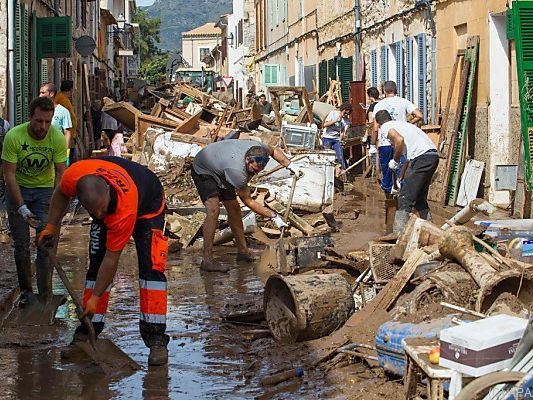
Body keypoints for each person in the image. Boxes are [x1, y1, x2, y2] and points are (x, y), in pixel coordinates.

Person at [36, 156, 170, 366]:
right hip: (120, 185)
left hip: (148, 205)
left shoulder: (123, 210)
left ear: (107, 191)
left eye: (101, 208)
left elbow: (112, 258)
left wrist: (96, 297)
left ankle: (156, 339)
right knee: (94, 266)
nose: (98, 214)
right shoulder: (74, 176)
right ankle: (88, 332)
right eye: (92, 211)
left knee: (151, 270)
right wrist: (51, 226)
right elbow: (61, 193)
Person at [192, 139, 300, 273]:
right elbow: (248, 201)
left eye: (258, 171)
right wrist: (274, 216)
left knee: (234, 208)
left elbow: (274, 151)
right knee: (213, 209)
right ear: (248, 159)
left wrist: (290, 165)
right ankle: (207, 260)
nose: (254, 174)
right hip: (204, 168)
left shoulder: (260, 149)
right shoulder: (236, 171)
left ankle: (243, 252)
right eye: (253, 170)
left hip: (221, 163)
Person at [2, 97, 67, 305]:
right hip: (18, 189)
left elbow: (60, 174)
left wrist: (56, 206)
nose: (43, 127)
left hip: (44, 191)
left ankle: (45, 293)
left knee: (45, 242)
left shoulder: (55, 138)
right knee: (21, 244)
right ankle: (26, 292)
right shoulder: (14, 136)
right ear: (30, 117)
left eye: (47, 122)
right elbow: (9, 175)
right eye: (39, 121)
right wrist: (21, 207)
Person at [374, 110, 439, 238]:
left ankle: (398, 237)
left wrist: (395, 160)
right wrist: (400, 177)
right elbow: (408, 158)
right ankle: (432, 233)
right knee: (419, 199)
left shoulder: (386, 127)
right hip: (432, 156)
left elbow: (399, 140)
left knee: (405, 198)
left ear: (378, 123)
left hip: (422, 158)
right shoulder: (403, 125)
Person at [371, 81, 423, 196]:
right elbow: (419, 115)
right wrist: (408, 123)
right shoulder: (404, 101)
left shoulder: (379, 105)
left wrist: (373, 145)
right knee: (401, 172)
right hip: (401, 142)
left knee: (387, 173)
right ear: (396, 90)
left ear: (384, 92)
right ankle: (401, 198)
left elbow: (375, 128)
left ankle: (389, 199)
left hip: (385, 143)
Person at [39, 83, 73, 164]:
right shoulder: (38, 111)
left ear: (51, 94)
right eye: (40, 92)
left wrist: (65, 152)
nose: (40, 95)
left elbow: (67, 133)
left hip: (57, 151)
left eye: (43, 93)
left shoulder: (63, 111)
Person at [321, 103, 352, 170]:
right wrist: (335, 121)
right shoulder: (333, 113)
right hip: (327, 137)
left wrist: (342, 139)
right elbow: (325, 124)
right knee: (327, 156)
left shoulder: (346, 121)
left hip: (336, 139)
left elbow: (343, 132)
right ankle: (326, 170)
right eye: (345, 113)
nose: (346, 115)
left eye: (348, 114)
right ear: (342, 110)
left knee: (340, 156)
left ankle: (343, 172)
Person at [55, 80, 78, 165]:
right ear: (70, 89)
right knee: (69, 157)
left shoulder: (61, 98)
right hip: (67, 133)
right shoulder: (63, 100)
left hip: (70, 132)